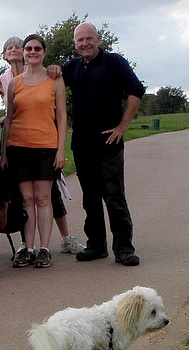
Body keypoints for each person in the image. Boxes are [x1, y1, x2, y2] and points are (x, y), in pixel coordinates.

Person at [61, 22, 145, 266]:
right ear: (75, 44)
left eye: (88, 38)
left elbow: (136, 90)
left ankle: (124, 249)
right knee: (90, 198)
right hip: (82, 143)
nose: (84, 43)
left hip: (109, 141)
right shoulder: (71, 68)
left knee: (114, 195)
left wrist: (122, 126)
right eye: (79, 40)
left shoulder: (114, 62)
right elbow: (48, 86)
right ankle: (96, 246)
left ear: (98, 39)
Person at [0, 36, 84, 255]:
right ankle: (28, 247)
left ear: (44, 52)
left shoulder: (54, 79)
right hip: (18, 147)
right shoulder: (14, 82)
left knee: (43, 198)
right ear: (24, 53)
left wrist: (61, 150)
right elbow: (9, 118)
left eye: (37, 48)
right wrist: (4, 153)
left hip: (45, 146)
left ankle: (44, 247)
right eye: (29, 48)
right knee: (26, 199)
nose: (32, 51)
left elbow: (62, 117)